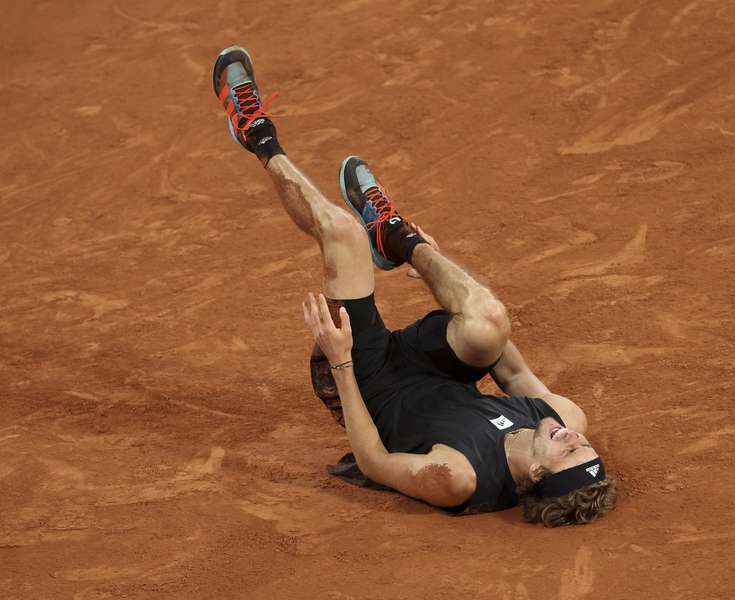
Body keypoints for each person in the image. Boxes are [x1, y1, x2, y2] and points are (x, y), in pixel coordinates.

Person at [212, 46, 617, 526]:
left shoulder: (459, 477)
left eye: (569, 454)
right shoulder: (565, 417)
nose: (576, 439)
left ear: (533, 473)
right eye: (583, 446)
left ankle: (255, 132)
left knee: (342, 233)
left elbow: (374, 463)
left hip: (369, 380)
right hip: (433, 367)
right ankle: (397, 237)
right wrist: (440, 271)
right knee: (490, 324)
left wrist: (340, 360)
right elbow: (509, 365)